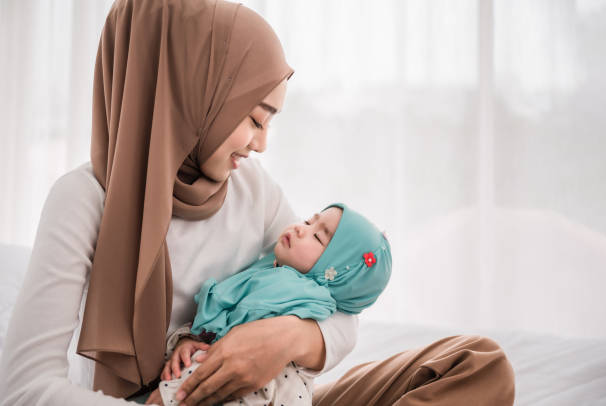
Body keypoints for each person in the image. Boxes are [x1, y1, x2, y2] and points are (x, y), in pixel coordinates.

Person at [0, 0, 515, 405]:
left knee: (479, 364)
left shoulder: (253, 190)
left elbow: (340, 307)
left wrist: (282, 341)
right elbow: (24, 390)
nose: (262, 142)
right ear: (199, 98)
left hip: (273, 397)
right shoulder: (85, 200)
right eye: (254, 119)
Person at [153, 203, 392, 406]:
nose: (300, 228)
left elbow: (241, 350)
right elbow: (217, 325)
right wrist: (189, 339)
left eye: (318, 236)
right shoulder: (267, 271)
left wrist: (171, 394)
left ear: (337, 274)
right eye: (309, 221)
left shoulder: (306, 303)